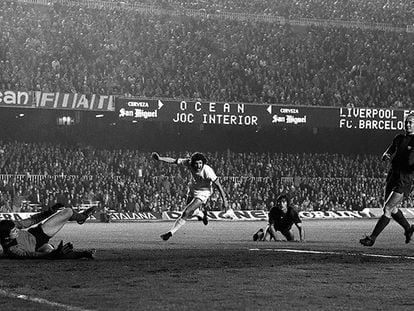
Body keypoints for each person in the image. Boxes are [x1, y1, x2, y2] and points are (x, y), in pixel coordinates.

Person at [151, 151, 233, 240]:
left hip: (204, 192)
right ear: (192, 163)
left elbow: (219, 186)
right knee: (191, 211)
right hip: (193, 188)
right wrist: (160, 158)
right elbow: (174, 161)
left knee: (186, 212)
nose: (198, 166)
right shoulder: (188, 162)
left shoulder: (208, 171)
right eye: (196, 163)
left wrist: (225, 202)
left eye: (200, 163)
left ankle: (170, 233)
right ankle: (200, 214)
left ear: (203, 163)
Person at [360, 114, 414, 246]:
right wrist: (386, 155)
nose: (408, 125)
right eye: (406, 122)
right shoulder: (399, 138)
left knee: (388, 208)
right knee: (393, 208)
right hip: (392, 176)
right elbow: (389, 150)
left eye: (411, 123)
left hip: (404, 179)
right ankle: (408, 229)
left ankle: (372, 238)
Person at [0, 203, 96, 259]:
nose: (17, 230)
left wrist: (50, 212)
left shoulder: (10, 225)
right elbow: (32, 255)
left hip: (37, 234)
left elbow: (32, 220)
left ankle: (81, 218)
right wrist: (51, 254)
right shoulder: (12, 250)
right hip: (38, 248)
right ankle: (84, 254)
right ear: (6, 237)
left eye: (16, 228)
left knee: (68, 211)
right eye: (14, 231)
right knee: (56, 254)